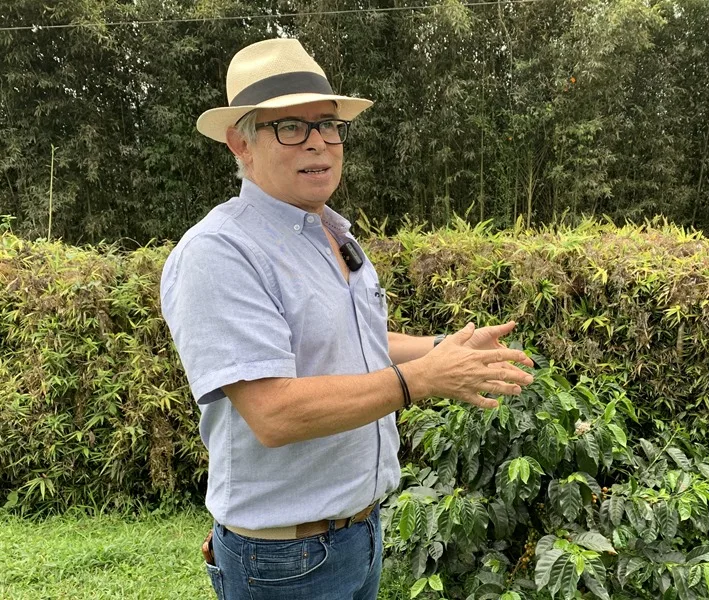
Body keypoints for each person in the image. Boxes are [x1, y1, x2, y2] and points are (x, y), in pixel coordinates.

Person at [159, 37, 534, 600]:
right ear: (242, 142)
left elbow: (355, 341)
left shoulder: (331, 232)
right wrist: (422, 381)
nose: (319, 144)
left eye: (329, 125)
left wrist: (440, 347)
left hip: (360, 531)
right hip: (284, 558)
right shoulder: (220, 252)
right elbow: (273, 412)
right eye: (292, 127)